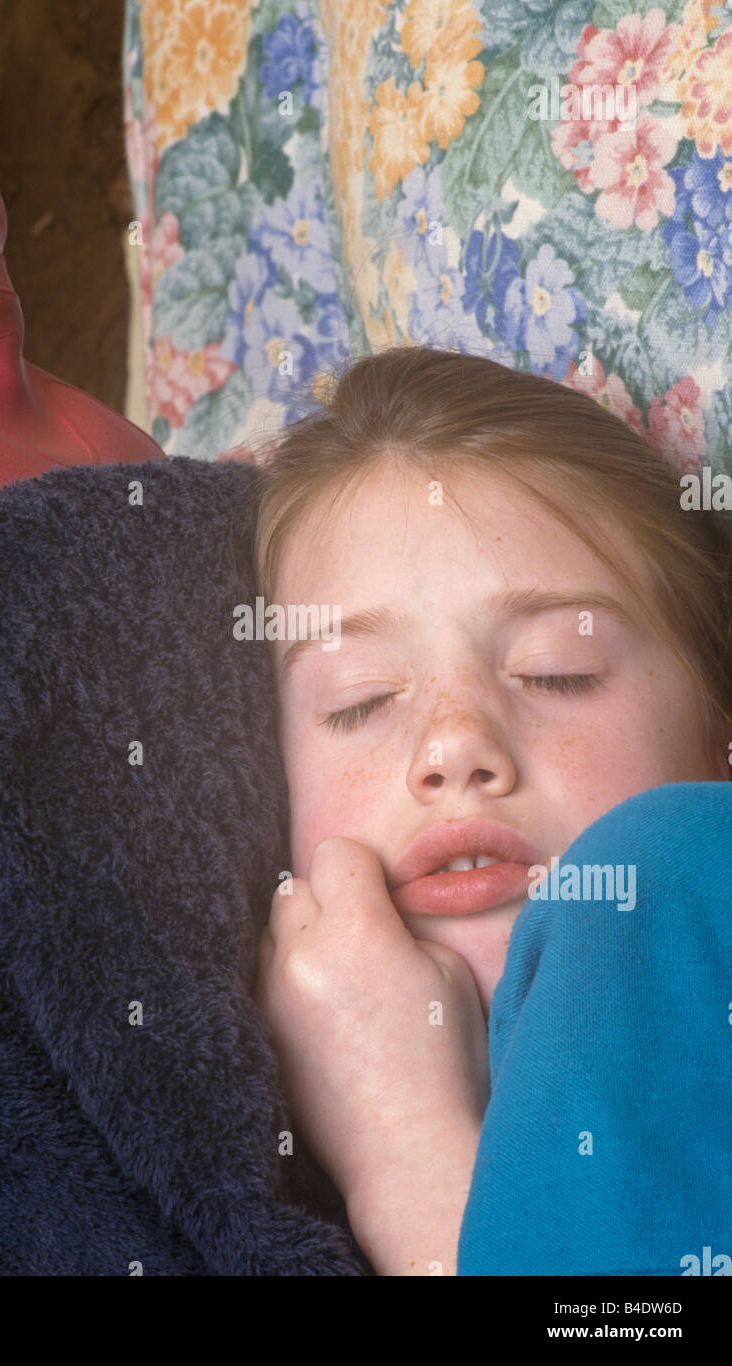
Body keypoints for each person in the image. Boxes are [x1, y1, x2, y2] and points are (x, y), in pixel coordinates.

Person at [251, 346, 732, 1275]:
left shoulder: (673, 876)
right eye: (358, 698)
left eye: (560, 671)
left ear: (719, 730)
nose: (453, 743)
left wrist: (413, 1161)